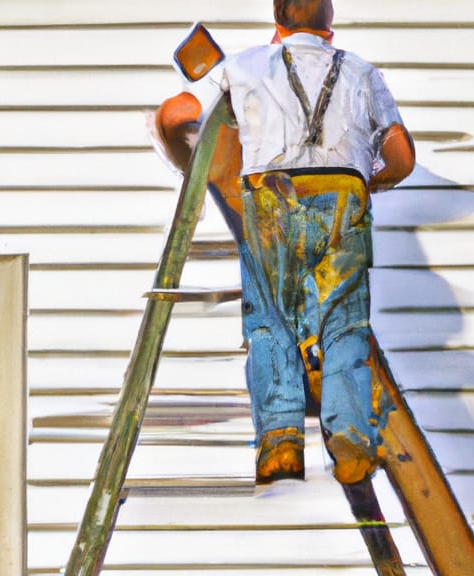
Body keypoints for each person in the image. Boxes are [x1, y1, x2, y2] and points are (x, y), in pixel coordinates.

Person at [155, 0, 415, 486]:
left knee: (271, 319)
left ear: (278, 20)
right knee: (342, 321)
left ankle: (279, 444)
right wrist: (368, 183)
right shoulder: (362, 72)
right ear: (329, 24)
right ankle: (352, 444)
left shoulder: (245, 65)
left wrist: (198, 172)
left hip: (269, 196)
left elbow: (175, 115)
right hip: (342, 194)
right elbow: (400, 155)